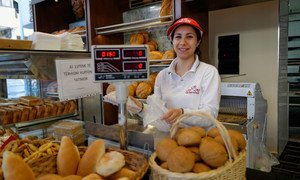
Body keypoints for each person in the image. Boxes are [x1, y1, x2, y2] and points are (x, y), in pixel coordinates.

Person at [132, 17, 221, 128]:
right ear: (172, 41)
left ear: (198, 42)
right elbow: (158, 114)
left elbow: (210, 116)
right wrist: (140, 108)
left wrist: (182, 113)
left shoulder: (208, 72)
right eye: (178, 37)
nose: (183, 42)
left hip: (199, 140)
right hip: (169, 139)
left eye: (189, 37)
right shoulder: (162, 76)